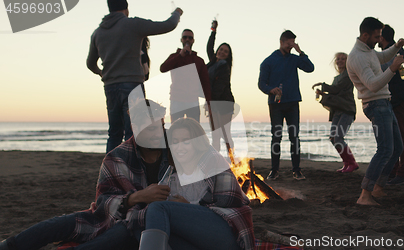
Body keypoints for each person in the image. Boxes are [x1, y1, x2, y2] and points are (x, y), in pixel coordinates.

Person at [0, 100, 172, 250]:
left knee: (124, 232)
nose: (157, 134)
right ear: (135, 128)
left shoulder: (176, 153)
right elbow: (102, 202)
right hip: (111, 217)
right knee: (62, 223)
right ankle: (10, 246)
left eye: (159, 127)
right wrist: (136, 198)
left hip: (145, 223)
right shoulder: (117, 156)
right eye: (149, 129)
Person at [138, 118, 254, 250]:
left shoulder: (212, 160)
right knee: (152, 231)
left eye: (186, 141)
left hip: (226, 234)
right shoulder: (171, 174)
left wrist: (188, 207)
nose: (179, 147)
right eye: (175, 142)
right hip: (198, 239)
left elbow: (230, 198)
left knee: (158, 209)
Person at [87, 0, 183, 154]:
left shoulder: (98, 33)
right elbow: (167, 25)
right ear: (126, 9)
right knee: (133, 132)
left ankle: (111, 171)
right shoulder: (132, 24)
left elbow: (90, 63)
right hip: (132, 86)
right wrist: (177, 13)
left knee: (114, 133)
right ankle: (132, 172)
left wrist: (102, 72)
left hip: (110, 87)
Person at [346, 17, 404, 206]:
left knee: (397, 147)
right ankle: (365, 194)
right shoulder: (357, 57)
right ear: (365, 35)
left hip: (384, 103)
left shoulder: (369, 51)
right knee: (385, 149)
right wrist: (392, 69)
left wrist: (396, 46)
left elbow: (380, 58)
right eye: (376, 36)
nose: (379, 40)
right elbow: (372, 85)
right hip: (375, 105)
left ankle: (378, 187)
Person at [258, 30, 314, 181]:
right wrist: (270, 89)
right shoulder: (268, 61)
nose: (291, 46)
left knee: (294, 137)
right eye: (289, 43)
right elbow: (261, 83)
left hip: (293, 103)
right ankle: (274, 170)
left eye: (293, 43)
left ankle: (296, 170)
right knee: (276, 137)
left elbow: (310, 68)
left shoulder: (295, 59)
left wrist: (300, 51)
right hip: (275, 104)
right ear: (281, 42)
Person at [378, 25, 404, 185]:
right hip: (398, 98)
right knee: (395, 136)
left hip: (400, 99)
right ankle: (394, 171)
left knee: (401, 136)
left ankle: (402, 174)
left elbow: (402, 76)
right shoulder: (391, 52)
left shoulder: (397, 53)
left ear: (382, 37)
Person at [312, 52, 359, 173]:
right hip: (337, 111)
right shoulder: (337, 77)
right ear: (335, 61)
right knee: (333, 138)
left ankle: (352, 163)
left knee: (338, 137)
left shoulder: (348, 75)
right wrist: (323, 94)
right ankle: (346, 163)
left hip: (347, 110)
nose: (340, 60)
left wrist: (322, 85)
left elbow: (336, 89)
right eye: (338, 59)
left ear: (347, 61)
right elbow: (335, 93)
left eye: (343, 59)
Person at [160, 29, 212, 123]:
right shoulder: (174, 56)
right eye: (185, 37)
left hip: (192, 101)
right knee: (176, 128)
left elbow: (205, 83)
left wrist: (208, 102)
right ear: (181, 40)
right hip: (176, 99)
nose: (187, 39)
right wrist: (180, 55)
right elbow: (163, 68)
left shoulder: (199, 61)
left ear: (193, 40)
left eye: (190, 38)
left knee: (194, 130)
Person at [206, 20, 235, 153]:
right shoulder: (212, 63)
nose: (222, 52)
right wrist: (213, 31)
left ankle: (233, 162)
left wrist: (210, 103)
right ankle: (216, 162)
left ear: (228, 56)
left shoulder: (224, 65)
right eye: (221, 49)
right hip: (213, 102)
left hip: (224, 104)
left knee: (225, 134)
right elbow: (209, 47)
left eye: (226, 52)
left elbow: (220, 86)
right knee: (215, 135)